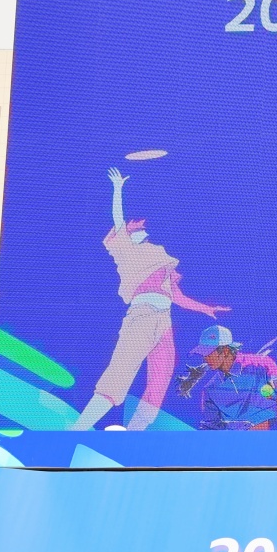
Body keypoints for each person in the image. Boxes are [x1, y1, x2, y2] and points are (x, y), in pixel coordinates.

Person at [73, 167, 229, 430]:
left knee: (160, 378)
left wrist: (206, 309)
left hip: (163, 321)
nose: (140, 224)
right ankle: (78, 428)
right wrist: (118, 189)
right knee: (120, 372)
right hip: (142, 315)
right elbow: (118, 218)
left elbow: (176, 295)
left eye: (142, 224)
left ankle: (136, 434)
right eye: (135, 224)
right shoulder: (125, 249)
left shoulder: (159, 256)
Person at [177, 325, 277, 430]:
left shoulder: (261, 364)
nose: (205, 359)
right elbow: (210, 428)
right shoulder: (210, 389)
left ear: (225, 351)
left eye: (209, 354)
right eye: (203, 354)